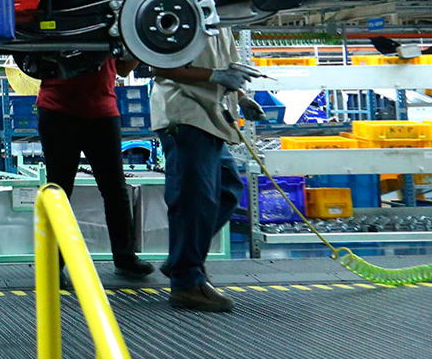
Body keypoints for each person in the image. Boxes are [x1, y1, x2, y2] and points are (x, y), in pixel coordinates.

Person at [150, 29, 265, 312]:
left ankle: (181, 259)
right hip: (185, 112)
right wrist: (214, 76)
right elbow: (159, 65)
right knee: (193, 200)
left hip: (212, 116)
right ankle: (187, 283)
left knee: (228, 189)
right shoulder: (182, 16)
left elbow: (228, 68)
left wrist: (241, 97)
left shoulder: (223, 23)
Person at [36, 56, 153, 279]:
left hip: (101, 113)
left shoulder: (109, 31)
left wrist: (140, 49)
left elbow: (123, 68)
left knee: (115, 190)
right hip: (57, 110)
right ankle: (53, 265)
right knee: (58, 192)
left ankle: (126, 259)